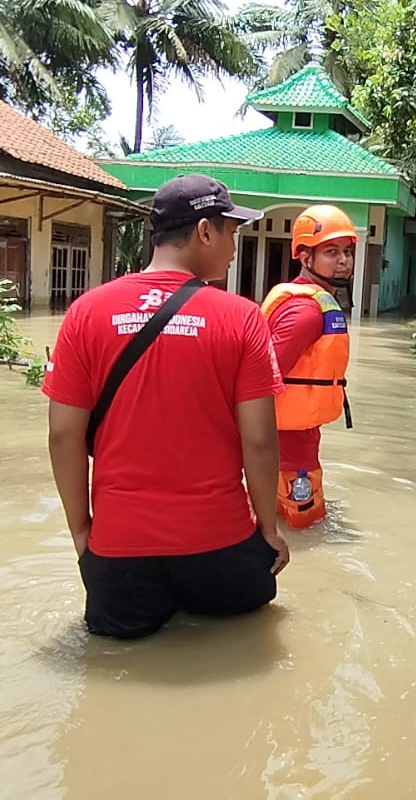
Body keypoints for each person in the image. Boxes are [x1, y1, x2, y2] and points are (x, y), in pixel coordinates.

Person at [43, 173, 290, 640]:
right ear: (204, 231)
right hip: (220, 547)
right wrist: (269, 529)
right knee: (246, 634)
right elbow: (259, 439)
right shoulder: (241, 319)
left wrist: (82, 532)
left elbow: (62, 435)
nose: (235, 247)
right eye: (231, 232)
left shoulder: (86, 312)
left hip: (120, 551)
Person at [261, 204, 356, 530]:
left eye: (347, 251)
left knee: (280, 524)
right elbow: (260, 378)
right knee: (307, 531)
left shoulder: (311, 301)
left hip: (291, 441)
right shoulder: (305, 312)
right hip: (288, 450)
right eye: (331, 252)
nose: (344, 261)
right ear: (304, 257)